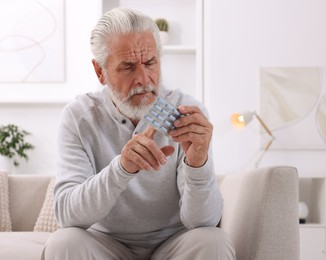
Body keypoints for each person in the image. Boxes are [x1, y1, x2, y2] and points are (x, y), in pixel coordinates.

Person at [43, 7, 235, 260]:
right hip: (105, 244)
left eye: (150, 63)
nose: (144, 79)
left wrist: (198, 164)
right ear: (100, 72)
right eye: (128, 67)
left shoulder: (188, 114)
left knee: (214, 240)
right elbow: (68, 215)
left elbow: (203, 221)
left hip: (173, 243)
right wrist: (121, 169)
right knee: (63, 242)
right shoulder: (78, 117)